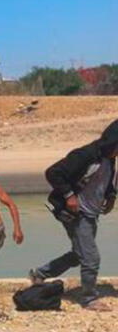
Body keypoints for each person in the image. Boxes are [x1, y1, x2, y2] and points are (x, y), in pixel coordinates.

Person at [29, 119, 118, 311]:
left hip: (91, 212)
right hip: (76, 213)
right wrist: (69, 196)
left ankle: (39, 274)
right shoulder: (85, 154)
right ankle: (89, 299)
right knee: (91, 258)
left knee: (80, 255)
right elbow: (53, 172)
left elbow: (108, 179)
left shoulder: (110, 158)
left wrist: (111, 196)